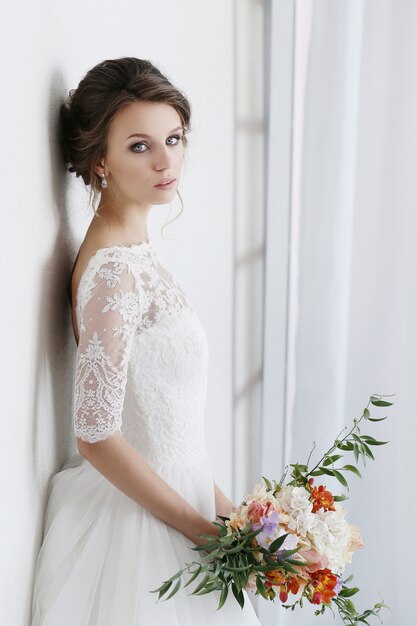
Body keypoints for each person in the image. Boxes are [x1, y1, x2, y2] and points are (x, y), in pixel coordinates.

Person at [30, 57, 262, 625]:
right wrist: (200, 529)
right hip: (139, 529)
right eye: (140, 146)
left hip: (182, 499)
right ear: (99, 159)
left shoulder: (136, 252)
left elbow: (165, 423)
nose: (166, 161)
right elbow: (96, 434)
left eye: (174, 138)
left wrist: (234, 515)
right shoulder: (113, 270)